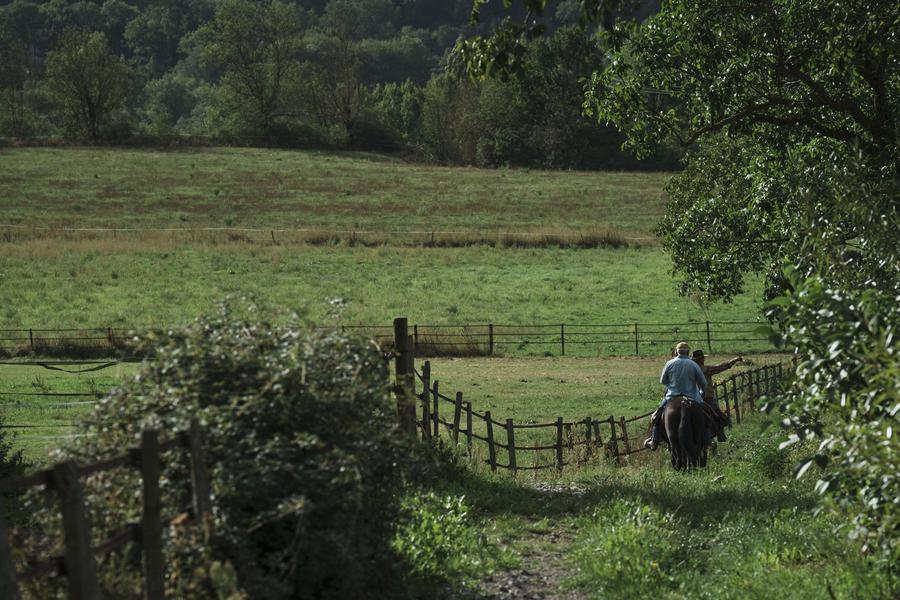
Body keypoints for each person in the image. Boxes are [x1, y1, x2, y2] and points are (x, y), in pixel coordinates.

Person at [644, 341, 708, 450]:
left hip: (671, 397)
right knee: (706, 414)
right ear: (688, 352)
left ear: (677, 352)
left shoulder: (669, 363)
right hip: (692, 396)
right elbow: (703, 383)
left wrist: (673, 385)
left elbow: (663, 381)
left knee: (657, 415)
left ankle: (654, 440)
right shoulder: (693, 364)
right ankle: (707, 439)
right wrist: (702, 392)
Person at [692, 350, 742, 441]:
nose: (704, 359)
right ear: (701, 359)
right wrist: (733, 361)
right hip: (706, 398)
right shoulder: (706, 369)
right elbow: (720, 367)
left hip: (691, 397)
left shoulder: (690, 370)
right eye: (703, 358)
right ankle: (720, 433)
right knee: (720, 417)